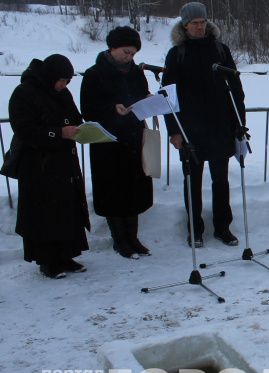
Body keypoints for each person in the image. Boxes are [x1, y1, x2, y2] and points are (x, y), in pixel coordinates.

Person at [162, 1, 244, 247]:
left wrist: (239, 123)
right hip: (190, 129)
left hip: (220, 126)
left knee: (221, 181)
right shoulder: (177, 53)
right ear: (184, 26)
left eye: (202, 22)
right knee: (192, 181)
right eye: (194, 23)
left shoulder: (220, 50)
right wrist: (174, 131)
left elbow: (236, 89)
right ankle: (195, 230)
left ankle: (223, 227)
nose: (199, 27)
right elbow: (168, 95)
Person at [9, 54, 90, 279]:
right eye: (61, 81)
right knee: (44, 212)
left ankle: (67, 255)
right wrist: (57, 132)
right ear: (49, 76)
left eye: (67, 82)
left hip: (64, 161)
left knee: (67, 209)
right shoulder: (24, 93)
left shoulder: (62, 93)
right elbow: (23, 128)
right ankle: (47, 261)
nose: (64, 86)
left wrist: (79, 128)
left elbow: (74, 116)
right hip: (38, 164)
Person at [81, 26, 153, 259]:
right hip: (108, 143)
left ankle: (133, 238)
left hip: (133, 139)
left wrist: (149, 101)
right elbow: (87, 109)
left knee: (134, 192)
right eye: (125, 52)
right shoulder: (94, 74)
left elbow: (141, 95)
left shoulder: (136, 72)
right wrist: (112, 109)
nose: (129, 57)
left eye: (133, 53)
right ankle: (119, 240)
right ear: (111, 48)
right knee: (114, 193)